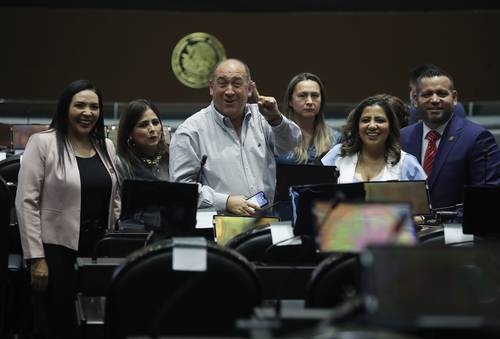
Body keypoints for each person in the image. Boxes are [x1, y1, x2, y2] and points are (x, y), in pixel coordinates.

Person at [15, 80, 120, 339]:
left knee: (97, 321)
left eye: (94, 107)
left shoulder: (106, 146)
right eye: (80, 105)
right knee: (60, 324)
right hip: (55, 250)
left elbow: (115, 197)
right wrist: (36, 258)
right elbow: (26, 202)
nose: (88, 112)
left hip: (97, 249)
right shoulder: (42, 143)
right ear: (65, 109)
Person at [169, 58, 301, 216]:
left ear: (250, 89)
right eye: (222, 83)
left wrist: (276, 119)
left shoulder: (263, 117)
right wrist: (225, 201)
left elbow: (292, 142)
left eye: (237, 83)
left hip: (264, 224)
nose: (229, 91)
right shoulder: (190, 131)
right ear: (211, 88)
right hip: (217, 228)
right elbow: (180, 190)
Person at [401, 67, 500, 210]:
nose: (434, 100)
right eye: (427, 94)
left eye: (442, 94)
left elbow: (486, 196)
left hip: (456, 228)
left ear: (454, 98)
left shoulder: (477, 138)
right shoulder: (402, 138)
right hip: (409, 228)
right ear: (415, 100)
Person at [322, 95, 426, 183]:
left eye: (380, 120)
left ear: (391, 127)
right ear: (357, 126)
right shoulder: (338, 155)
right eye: (365, 120)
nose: (372, 126)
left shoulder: (408, 164)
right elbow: (316, 197)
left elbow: (422, 206)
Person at [276, 72, 340, 164]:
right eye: (302, 95)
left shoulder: (336, 139)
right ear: (290, 101)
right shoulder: (275, 137)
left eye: (315, 95)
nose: (309, 101)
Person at [116, 99, 169, 182]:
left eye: (155, 123)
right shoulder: (122, 164)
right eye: (143, 125)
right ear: (129, 132)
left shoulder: (171, 157)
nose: (152, 129)